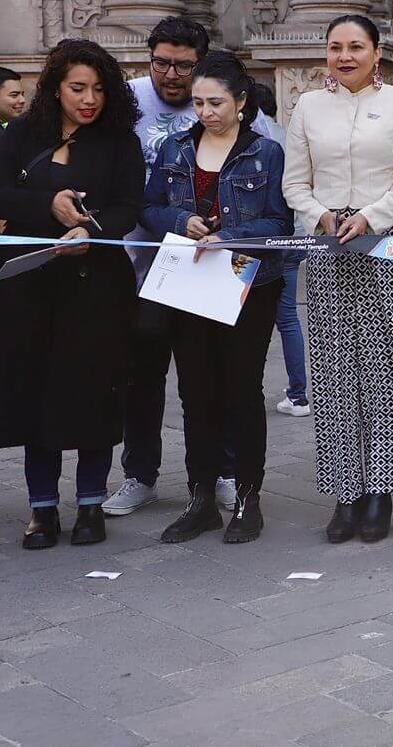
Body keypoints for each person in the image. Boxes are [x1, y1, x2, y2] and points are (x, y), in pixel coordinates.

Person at [0, 39, 145, 549]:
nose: (88, 99)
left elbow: (129, 205)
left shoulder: (120, 140)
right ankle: (42, 509)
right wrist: (48, 206)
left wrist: (90, 230)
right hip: (30, 285)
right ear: (56, 88)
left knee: (94, 394)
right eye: (78, 88)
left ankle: (91, 504)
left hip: (96, 286)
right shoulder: (20, 134)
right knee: (35, 395)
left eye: (98, 89)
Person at [284, 14, 393, 543]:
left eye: (356, 47)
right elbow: (295, 182)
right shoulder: (308, 106)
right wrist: (322, 217)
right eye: (335, 47)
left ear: (376, 52)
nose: (345, 56)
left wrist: (369, 217)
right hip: (327, 245)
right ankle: (345, 493)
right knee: (333, 370)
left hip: (385, 243)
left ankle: (381, 492)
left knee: (387, 368)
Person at [141, 52, 293, 544]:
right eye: (199, 102)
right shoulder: (175, 148)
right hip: (188, 280)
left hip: (247, 283)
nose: (205, 111)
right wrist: (177, 222)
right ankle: (201, 497)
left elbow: (281, 223)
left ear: (242, 101)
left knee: (242, 390)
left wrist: (233, 234)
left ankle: (248, 498)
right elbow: (149, 207)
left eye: (216, 102)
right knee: (195, 393)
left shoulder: (265, 153)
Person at [105, 17, 216, 517]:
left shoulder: (218, 99)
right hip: (137, 262)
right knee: (139, 375)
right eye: (161, 63)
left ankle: (214, 476)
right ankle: (139, 475)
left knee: (207, 378)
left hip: (202, 262)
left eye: (183, 67)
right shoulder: (123, 100)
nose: (171, 75)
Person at [249, 83, 311, 417]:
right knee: (287, 317)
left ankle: (244, 388)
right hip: (297, 236)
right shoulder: (287, 135)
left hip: (262, 241)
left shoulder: (257, 141)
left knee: (245, 315)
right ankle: (298, 393)